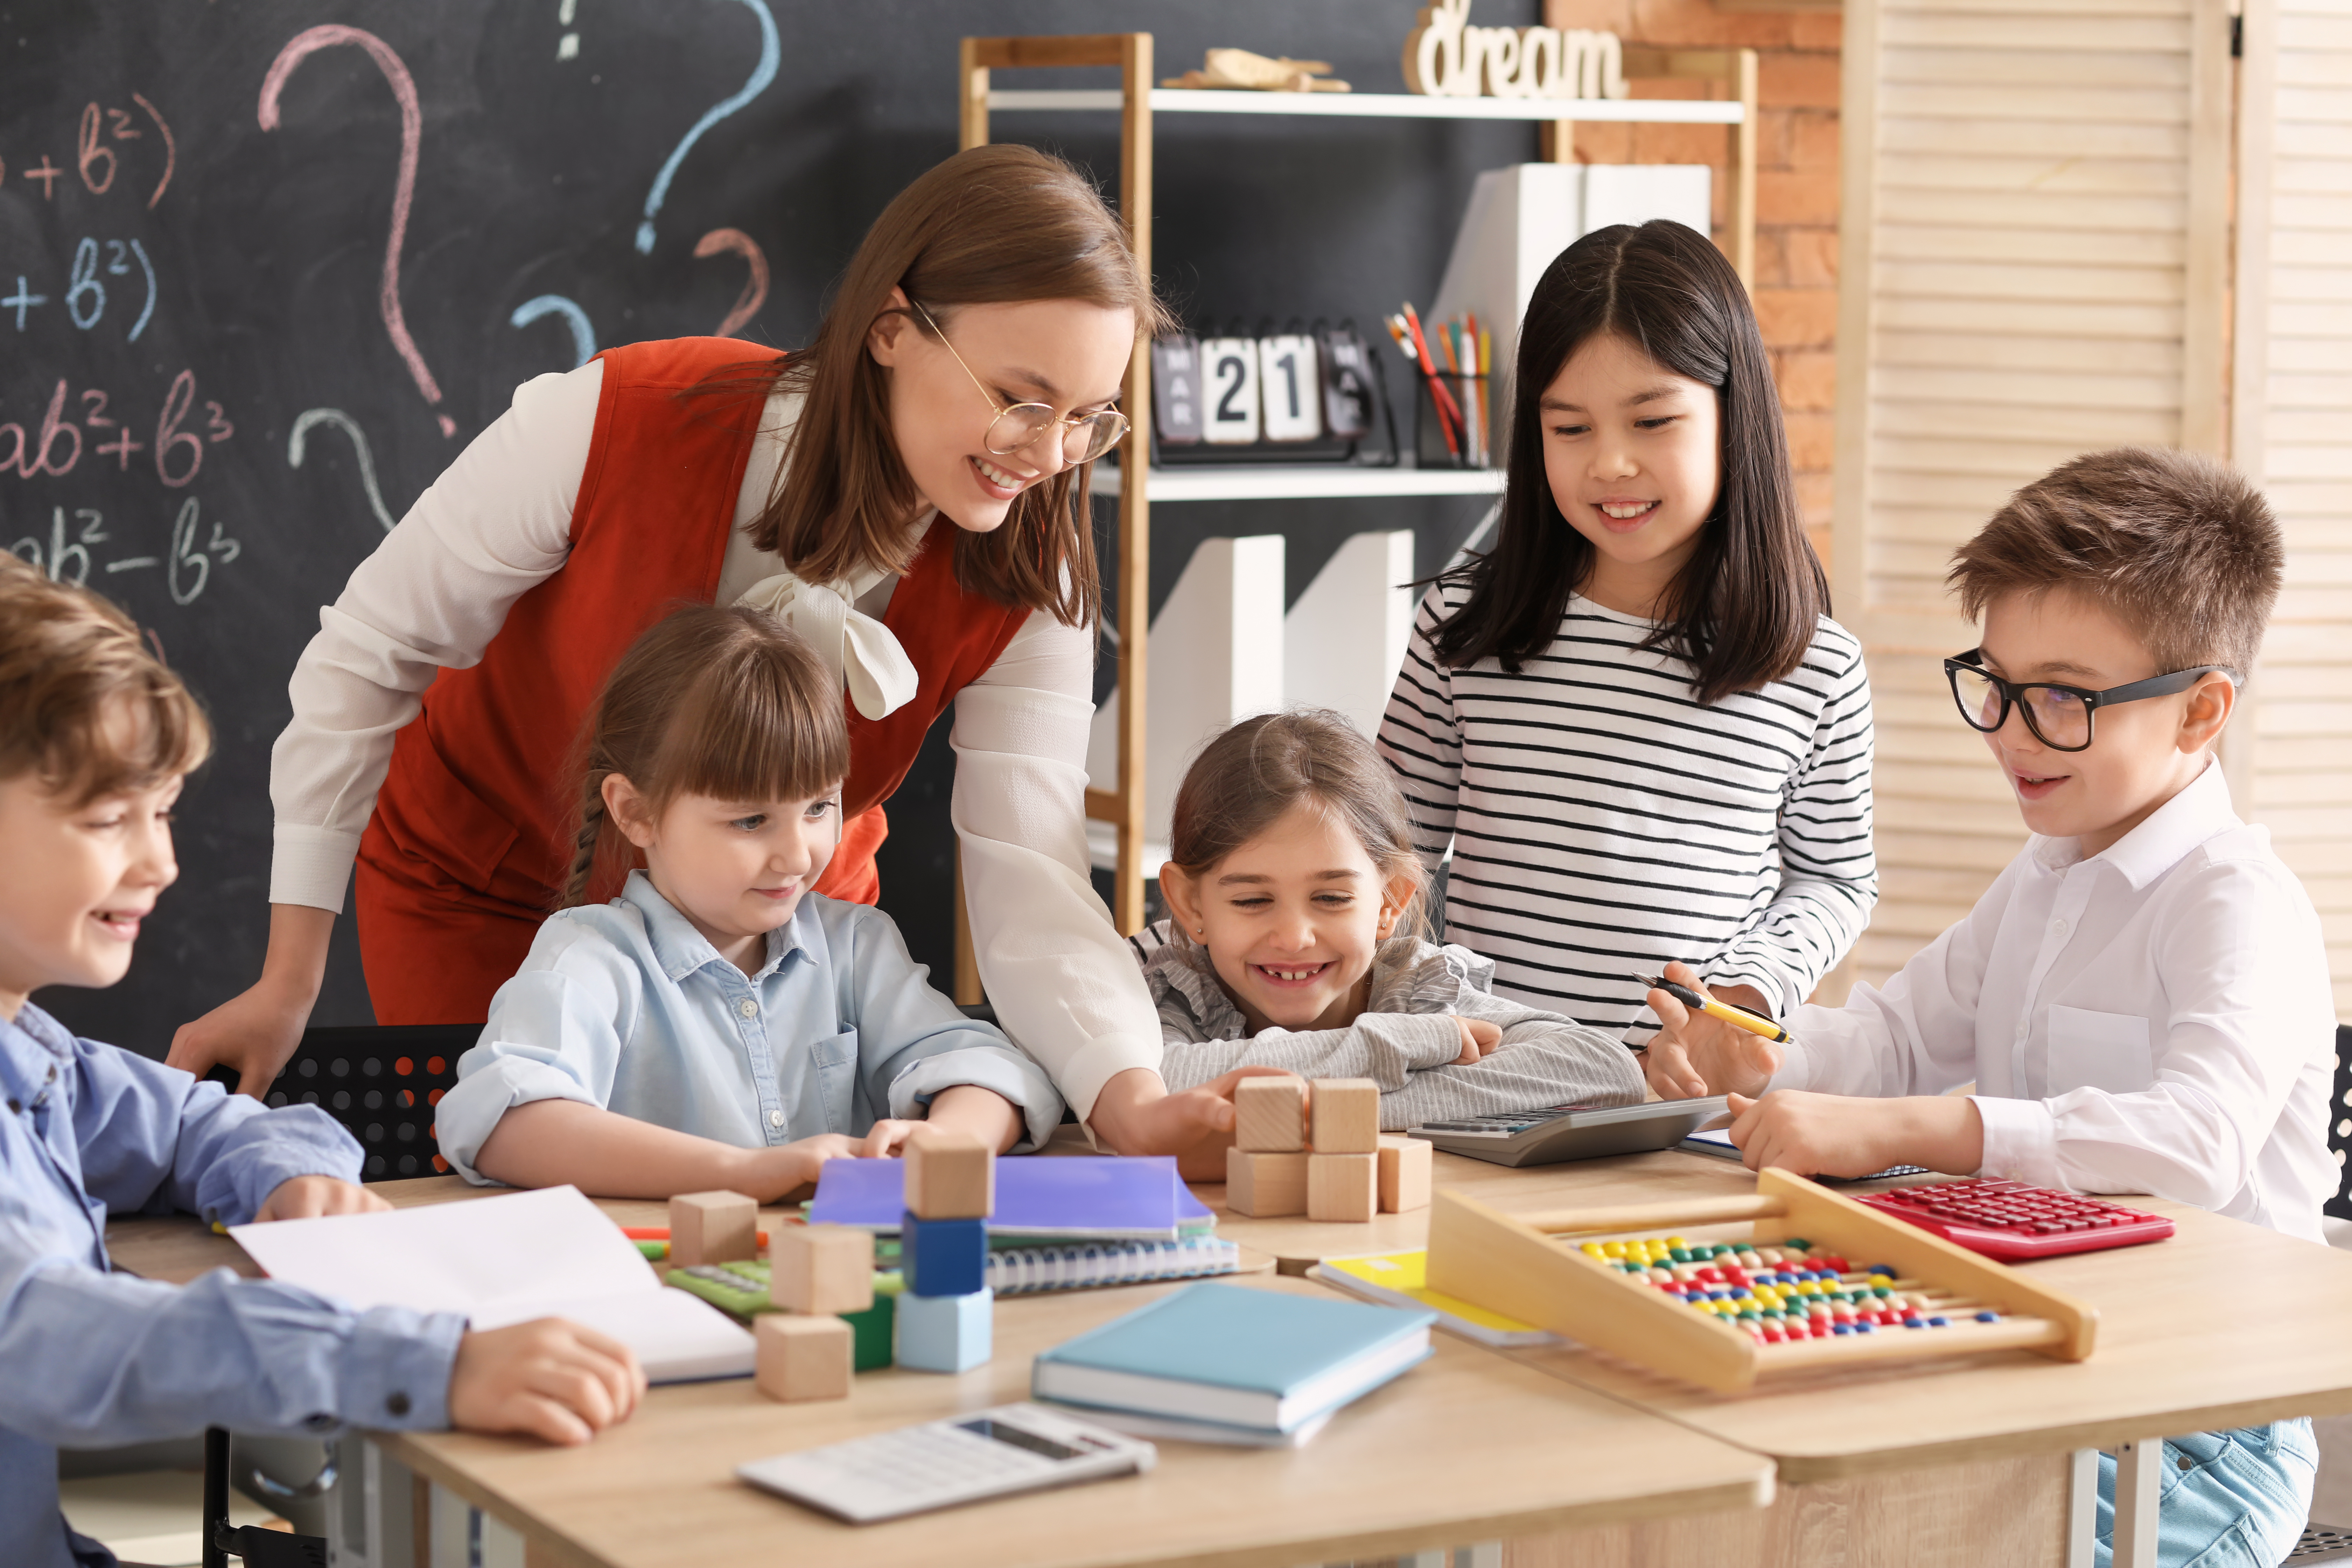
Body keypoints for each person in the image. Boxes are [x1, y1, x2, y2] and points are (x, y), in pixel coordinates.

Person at [165, 144, 1225, 1158]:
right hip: (488, 886)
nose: (1048, 458)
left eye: (1090, 419)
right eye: (1018, 401)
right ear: (893, 328)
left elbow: (1029, 864)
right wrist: (287, 982)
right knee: (527, 1185)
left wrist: (1129, 1095)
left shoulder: (1030, 573)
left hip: (782, 918)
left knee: (786, 1211)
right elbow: (366, 657)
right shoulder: (619, 420)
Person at [1641, 448, 2329, 1568]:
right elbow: (1905, 1033)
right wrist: (1760, 1054)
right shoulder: (2047, 871)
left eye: (2062, 696)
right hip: (2051, 1360)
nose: (2011, 731)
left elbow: (2196, 1142)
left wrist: (1913, 1131)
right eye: (1997, 683)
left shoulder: (2234, 903)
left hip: (2206, 1431)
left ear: (2201, 712)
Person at [0, 558, 641, 1568]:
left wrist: (288, 1175)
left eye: (161, 812)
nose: (162, 862)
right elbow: (55, 1333)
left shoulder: (34, 1056)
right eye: (107, 819)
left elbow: (190, 1122)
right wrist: (428, 1366)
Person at [1378, 219, 1876, 1051]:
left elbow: (1834, 878)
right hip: (1482, 1072)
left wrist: (1749, 990)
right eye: (1570, 428)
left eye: (1651, 422)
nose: (1609, 463)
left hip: (1682, 1095)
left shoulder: (1815, 666)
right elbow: (1394, 856)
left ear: (1732, 415)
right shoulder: (1464, 632)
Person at [434, 606, 1059, 1198]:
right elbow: (501, 1122)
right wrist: (743, 1173)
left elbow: (987, 1068)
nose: (797, 855)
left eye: (818, 807)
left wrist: (948, 1141)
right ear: (636, 812)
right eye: (752, 821)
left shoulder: (855, 947)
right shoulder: (594, 958)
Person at [1137, 710, 1644, 1134]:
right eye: (1252, 900)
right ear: (1193, 905)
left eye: (1332, 898)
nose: (1293, 937)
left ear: (1390, 902)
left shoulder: (1417, 991)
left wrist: (1324, 1112)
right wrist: (1392, 1045)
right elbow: (1148, 1083)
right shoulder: (1172, 993)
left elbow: (1603, 1069)